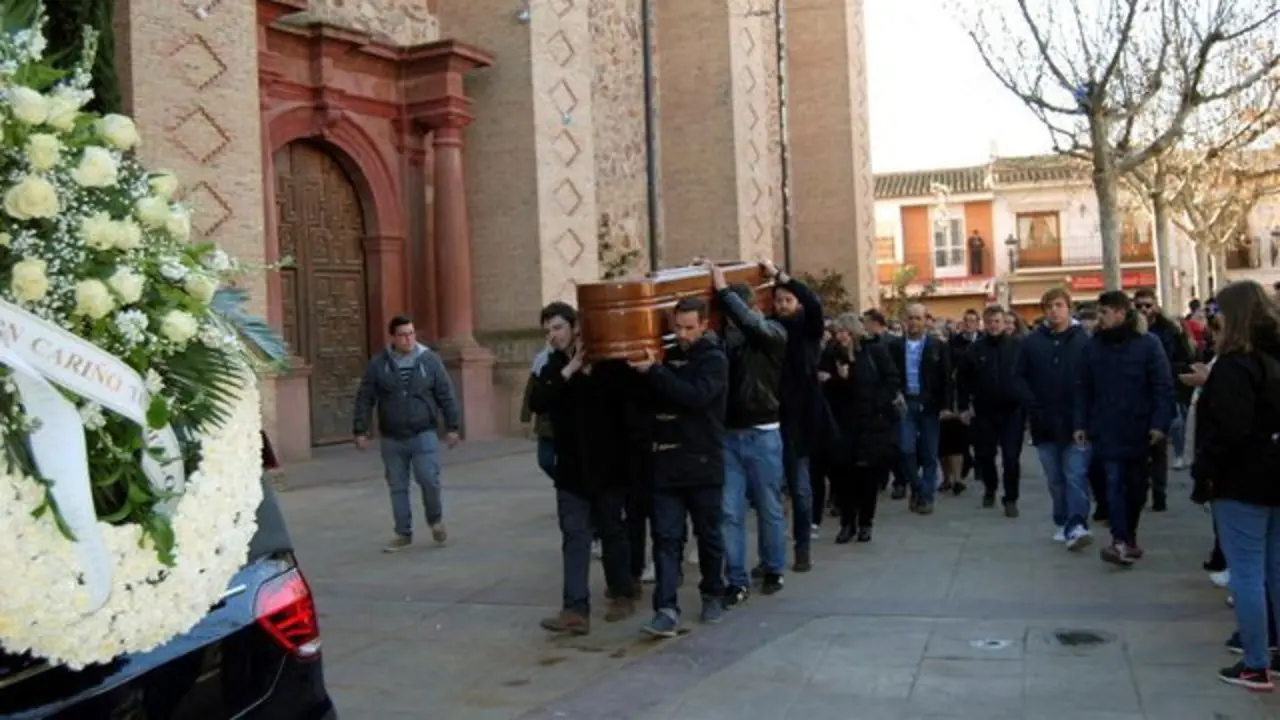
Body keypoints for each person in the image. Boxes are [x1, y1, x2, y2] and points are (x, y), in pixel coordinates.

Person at [529, 302, 641, 634]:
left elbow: (627, 407)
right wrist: (567, 371)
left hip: (608, 465)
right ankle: (575, 609)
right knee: (574, 536)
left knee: (612, 531)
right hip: (572, 468)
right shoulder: (551, 367)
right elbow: (538, 402)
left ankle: (622, 592)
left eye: (558, 328)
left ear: (576, 327)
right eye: (547, 331)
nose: (553, 336)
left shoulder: (605, 361)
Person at [1190, 280, 1280, 690]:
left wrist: (1203, 473)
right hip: (1274, 476)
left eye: (1219, 310)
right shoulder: (1271, 359)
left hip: (1242, 481)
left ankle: (1255, 662)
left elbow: (1229, 429)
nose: (1214, 318)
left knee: (1246, 573)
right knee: (1273, 570)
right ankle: (1270, 655)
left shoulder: (1234, 365)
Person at [628, 297, 729, 637]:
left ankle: (713, 593)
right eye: (678, 327)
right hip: (666, 463)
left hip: (703, 462)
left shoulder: (714, 360)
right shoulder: (665, 356)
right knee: (666, 538)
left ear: (704, 325)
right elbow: (649, 402)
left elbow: (695, 397)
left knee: (709, 535)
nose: (682, 334)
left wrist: (656, 372)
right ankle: (666, 608)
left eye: (689, 328)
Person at [698, 259, 789, 603]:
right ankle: (735, 580)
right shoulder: (723, 342)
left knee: (769, 507)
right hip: (728, 435)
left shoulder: (774, 334)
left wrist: (722, 289)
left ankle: (773, 567)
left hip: (764, 433)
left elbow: (753, 325)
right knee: (729, 511)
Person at [1073, 291, 1172, 566]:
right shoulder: (1092, 348)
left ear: (1119, 313)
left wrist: (1159, 423)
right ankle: (1119, 540)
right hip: (1105, 429)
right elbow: (1083, 387)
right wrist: (1080, 422)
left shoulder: (1148, 344)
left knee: (1137, 489)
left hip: (1140, 429)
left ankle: (1130, 536)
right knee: (1113, 483)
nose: (1099, 319)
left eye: (1104, 313)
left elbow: (1162, 387)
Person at [351, 314, 463, 553]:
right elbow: (365, 397)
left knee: (428, 478)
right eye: (402, 335)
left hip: (423, 433)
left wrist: (453, 427)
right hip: (392, 436)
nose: (408, 339)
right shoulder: (379, 364)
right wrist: (360, 430)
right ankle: (403, 533)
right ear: (393, 337)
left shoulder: (429, 361)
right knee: (397, 486)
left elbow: (445, 394)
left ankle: (435, 521)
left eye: (411, 333)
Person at [1015, 288, 1093, 550]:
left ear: (1068, 307)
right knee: (1055, 478)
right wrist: (1032, 406)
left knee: (1075, 474)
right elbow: (1019, 377)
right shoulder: (1031, 343)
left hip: (1077, 422)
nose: (1054, 311)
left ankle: (1077, 522)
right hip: (1044, 422)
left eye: (1059, 305)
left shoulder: (1085, 341)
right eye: (1049, 306)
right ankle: (1062, 519)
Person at [764, 261, 827, 573]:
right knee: (769, 492)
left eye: (787, 300)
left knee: (799, 488)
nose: (782, 305)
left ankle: (802, 547)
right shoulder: (768, 330)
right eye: (778, 300)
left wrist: (781, 277)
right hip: (769, 415)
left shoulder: (807, 329)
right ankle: (770, 556)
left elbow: (814, 302)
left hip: (799, 417)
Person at [820, 314, 901, 543]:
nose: (840, 337)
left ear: (854, 332)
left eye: (844, 332)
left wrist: (879, 402)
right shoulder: (831, 354)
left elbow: (892, 380)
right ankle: (847, 523)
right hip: (844, 424)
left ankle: (866, 522)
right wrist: (835, 379)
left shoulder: (874, 352)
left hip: (871, 423)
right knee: (844, 476)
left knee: (867, 478)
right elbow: (826, 385)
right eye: (837, 333)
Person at [957, 305, 1025, 517]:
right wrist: (963, 407)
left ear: (1005, 323)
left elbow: (1028, 378)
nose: (993, 326)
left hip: (1012, 411)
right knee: (985, 456)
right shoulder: (974, 349)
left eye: (997, 321)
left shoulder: (1018, 347)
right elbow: (963, 381)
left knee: (1011, 458)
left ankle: (1011, 498)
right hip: (984, 412)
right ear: (983, 324)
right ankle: (990, 488)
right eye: (989, 322)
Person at [888, 303, 952, 514]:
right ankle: (917, 487)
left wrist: (946, 405)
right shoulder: (895, 346)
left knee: (929, 452)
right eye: (910, 318)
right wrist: (894, 394)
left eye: (918, 318)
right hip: (905, 403)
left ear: (926, 320)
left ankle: (926, 497)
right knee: (905, 448)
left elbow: (946, 378)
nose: (913, 322)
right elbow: (889, 374)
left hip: (929, 404)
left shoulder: (937, 345)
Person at [1133, 287, 1194, 507]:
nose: (1144, 310)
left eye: (1148, 305)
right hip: (1136, 395)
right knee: (1139, 448)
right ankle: (1143, 489)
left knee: (1158, 445)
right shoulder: (1130, 331)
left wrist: (1168, 373)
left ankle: (1160, 494)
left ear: (1156, 306)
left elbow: (1186, 358)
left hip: (1163, 392)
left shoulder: (1171, 330)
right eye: (1139, 306)